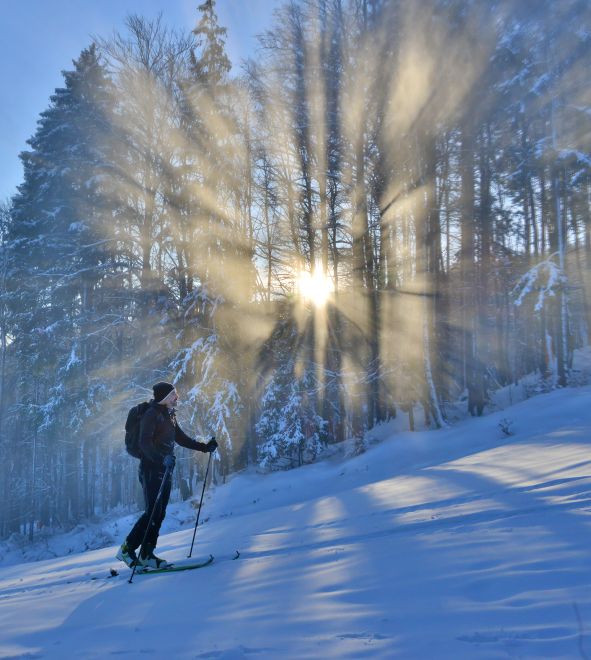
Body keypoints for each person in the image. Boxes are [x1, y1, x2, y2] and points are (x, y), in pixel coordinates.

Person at [117, 381, 217, 568]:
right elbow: (144, 443)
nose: (176, 397)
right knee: (152, 512)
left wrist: (205, 447)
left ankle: (147, 553)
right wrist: (160, 459)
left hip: (165, 469)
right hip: (150, 469)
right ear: (164, 397)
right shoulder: (151, 414)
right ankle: (126, 549)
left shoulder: (169, 415)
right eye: (173, 394)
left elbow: (181, 438)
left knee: (159, 513)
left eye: (175, 394)